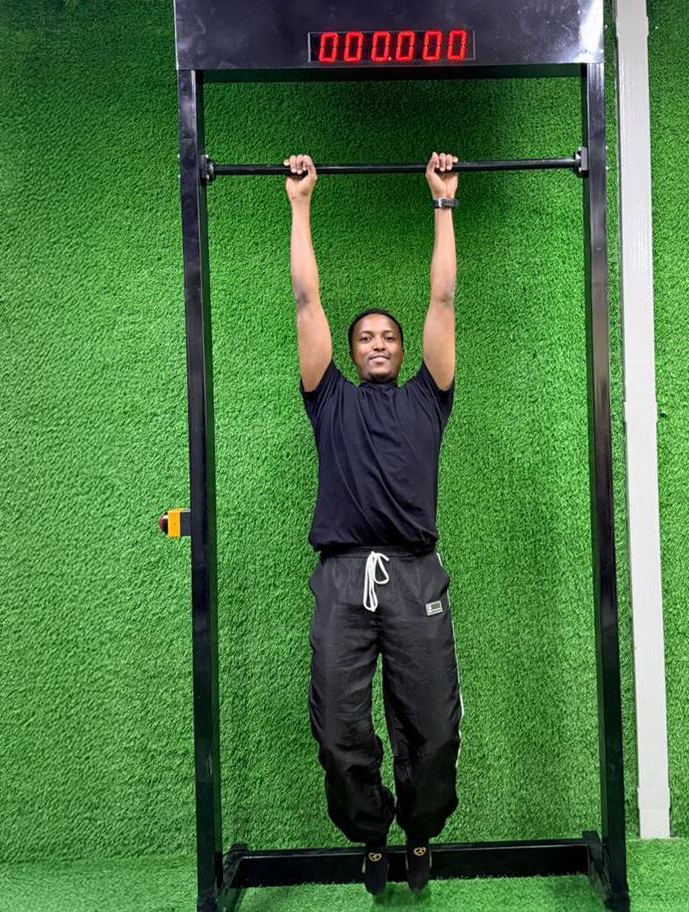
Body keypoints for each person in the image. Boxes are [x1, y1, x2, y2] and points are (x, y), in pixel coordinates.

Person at [285, 151, 464, 896]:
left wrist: (443, 205)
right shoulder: (330, 398)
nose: (381, 342)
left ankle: (419, 834)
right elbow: (305, 301)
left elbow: (444, 302)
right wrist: (301, 206)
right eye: (367, 337)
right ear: (351, 353)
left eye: (389, 335)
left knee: (434, 732)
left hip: (415, 575)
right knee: (338, 731)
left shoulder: (431, 396)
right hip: (341, 579)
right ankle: (370, 834)